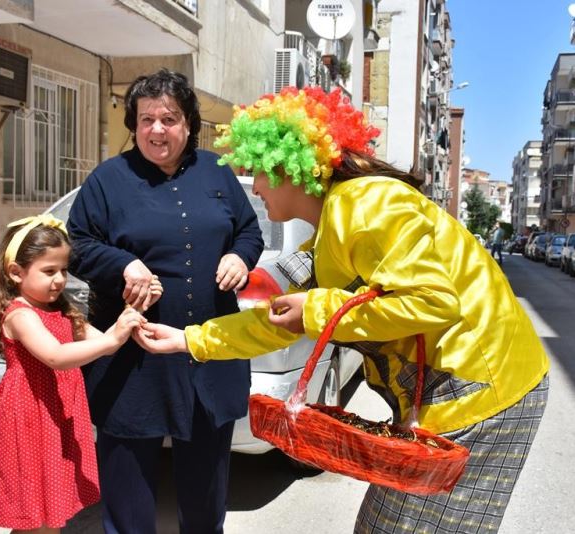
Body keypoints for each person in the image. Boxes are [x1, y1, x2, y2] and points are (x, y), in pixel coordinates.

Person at [133, 86, 550, 534]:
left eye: (257, 172)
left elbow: (431, 301)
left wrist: (315, 306)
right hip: (457, 389)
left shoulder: (366, 204)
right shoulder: (335, 224)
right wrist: (190, 340)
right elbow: (278, 320)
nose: (253, 186)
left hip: (486, 389)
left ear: (291, 168)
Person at [66, 69, 264, 533]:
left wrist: (240, 255)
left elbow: (249, 230)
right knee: (129, 495)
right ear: (134, 125)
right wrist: (122, 264)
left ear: (189, 124)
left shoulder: (217, 171)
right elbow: (76, 244)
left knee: (206, 493)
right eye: (146, 119)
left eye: (169, 119)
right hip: (133, 359)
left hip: (206, 350)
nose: (157, 129)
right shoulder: (107, 180)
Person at [0, 214, 148, 533]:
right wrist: (113, 339)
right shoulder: (20, 314)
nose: (59, 280)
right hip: (29, 417)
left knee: (50, 508)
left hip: (56, 416)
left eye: (64, 270)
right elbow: (54, 356)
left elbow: (105, 340)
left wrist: (131, 318)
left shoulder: (61, 310)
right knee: (32, 511)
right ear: (16, 272)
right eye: (49, 271)